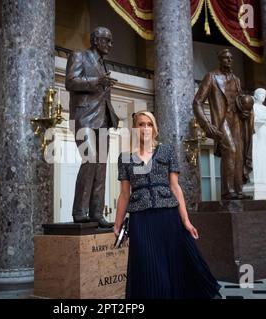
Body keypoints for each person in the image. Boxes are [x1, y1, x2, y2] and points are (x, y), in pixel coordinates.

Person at [114, 111, 221, 299]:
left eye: (148, 124)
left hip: (168, 216)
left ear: (154, 129)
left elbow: (175, 187)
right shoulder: (125, 158)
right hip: (141, 219)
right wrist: (117, 224)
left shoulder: (167, 151)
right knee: (148, 266)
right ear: (134, 128)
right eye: (140, 124)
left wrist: (186, 221)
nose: (145, 128)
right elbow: (124, 194)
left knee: (176, 263)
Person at [65, 26, 120, 228]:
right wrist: (97, 80)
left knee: (101, 167)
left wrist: (112, 114)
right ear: (96, 40)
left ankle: (97, 212)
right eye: (107, 40)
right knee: (90, 160)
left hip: (102, 119)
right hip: (84, 118)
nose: (111, 45)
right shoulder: (79, 56)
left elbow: (103, 96)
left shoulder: (104, 65)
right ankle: (79, 211)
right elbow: (70, 82)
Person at [193, 49, 253, 200]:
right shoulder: (211, 77)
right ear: (220, 60)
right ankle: (228, 191)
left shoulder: (236, 80)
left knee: (238, 154)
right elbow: (197, 102)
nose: (229, 60)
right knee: (231, 150)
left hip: (237, 120)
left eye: (231, 58)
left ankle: (238, 190)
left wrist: (246, 110)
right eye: (225, 58)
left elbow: (238, 101)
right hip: (222, 121)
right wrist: (206, 125)